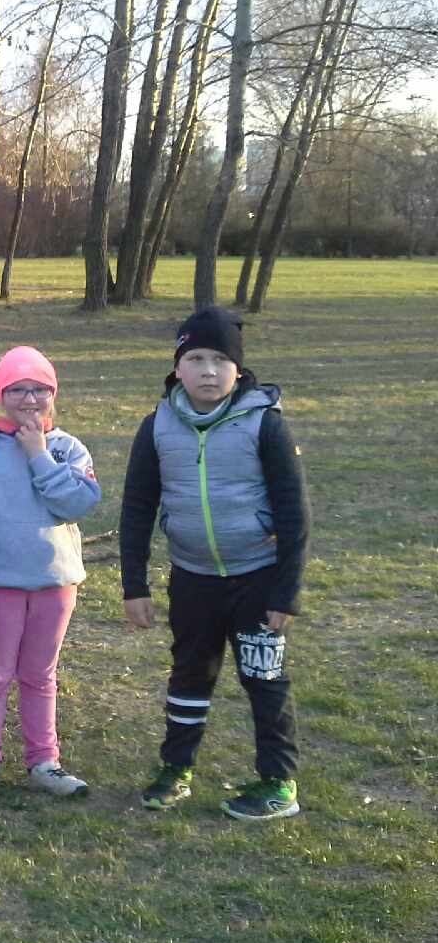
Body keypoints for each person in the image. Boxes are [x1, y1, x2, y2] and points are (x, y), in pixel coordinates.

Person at [120, 308, 309, 822]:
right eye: (196, 358)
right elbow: (137, 506)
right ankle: (175, 768)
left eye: (220, 360)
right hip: (193, 578)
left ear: (238, 369)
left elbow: (294, 512)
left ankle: (278, 781)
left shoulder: (265, 424)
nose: (208, 371)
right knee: (189, 674)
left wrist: (286, 593)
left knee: (264, 679)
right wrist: (134, 584)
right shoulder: (157, 427)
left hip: (258, 577)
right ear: (177, 367)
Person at [0, 346, 100, 804]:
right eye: (17, 389)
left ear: (54, 393)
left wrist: (39, 455)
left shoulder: (68, 449)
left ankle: (44, 761)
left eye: (40, 389)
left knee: (40, 675)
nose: (30, 398)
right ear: (1, 394)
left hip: (55, 583)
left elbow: (77, 503)